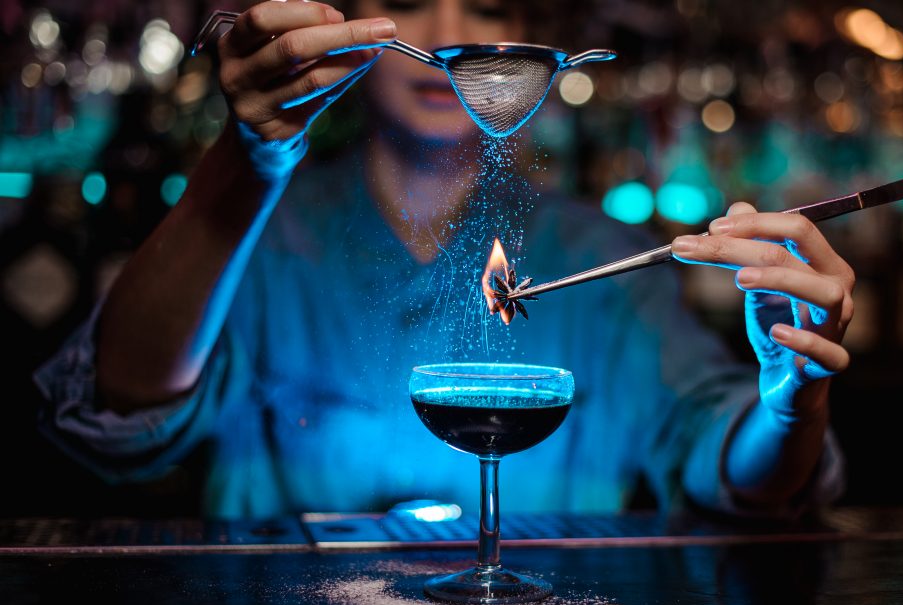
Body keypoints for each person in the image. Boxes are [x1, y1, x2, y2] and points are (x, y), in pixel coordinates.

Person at [33, 0, 852, 520]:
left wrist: (790, 408)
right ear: (347, 21)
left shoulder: (602, 258)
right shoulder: (270, 234)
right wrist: (250, 155)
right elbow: (113, 421)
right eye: (411, 2)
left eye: (487, 6)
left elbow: (730, 466)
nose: (450, 33)